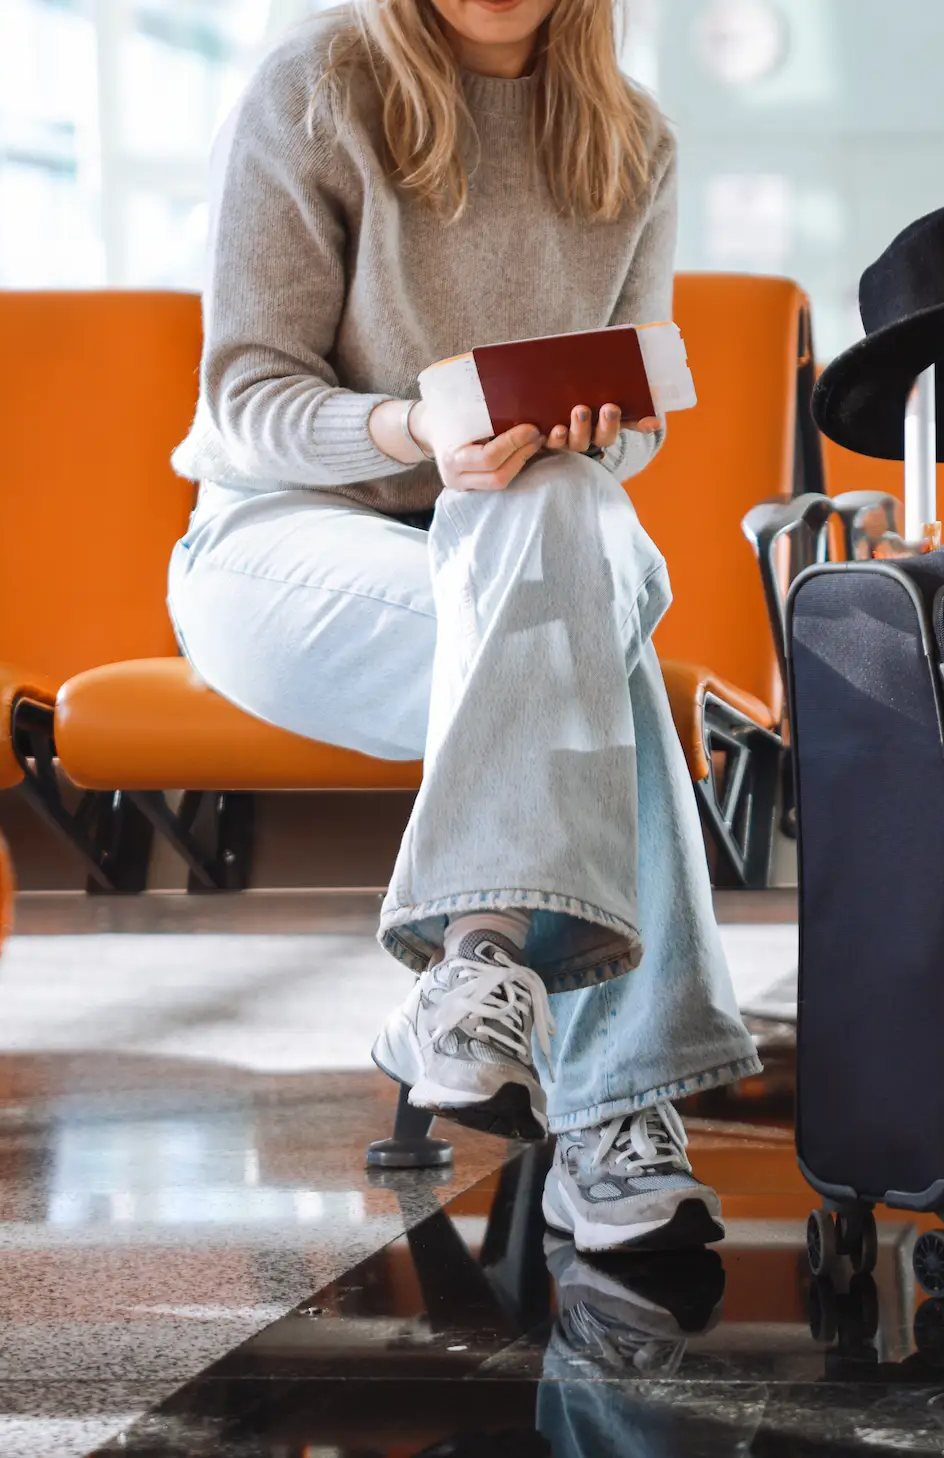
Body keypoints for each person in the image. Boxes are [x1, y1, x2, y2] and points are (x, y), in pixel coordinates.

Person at [166, 0, 759, 1253]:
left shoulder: (631, 138)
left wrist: (603, 431)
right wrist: (414, 428)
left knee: (561, 502)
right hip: (283, 545)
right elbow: (242, 401)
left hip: (511, 547)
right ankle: (619, 1108)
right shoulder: (316, 88)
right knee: (585, 653)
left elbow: (636, 410)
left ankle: (475, 964)